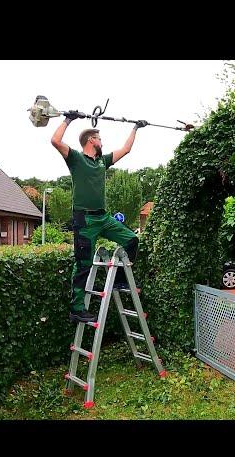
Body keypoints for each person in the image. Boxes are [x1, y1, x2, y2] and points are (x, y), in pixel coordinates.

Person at [50, 111, 148, 323]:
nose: (102, 142)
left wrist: (135, 128)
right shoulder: (76, 159)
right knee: (83, 264)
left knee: (132, 240)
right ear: (91, 140)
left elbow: (126, 149)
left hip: (104, 218)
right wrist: (68, 119)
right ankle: (76, 309)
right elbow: (55, 140)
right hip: (85, 220)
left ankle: (119, 281)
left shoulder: (102, 162)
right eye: (100, 138)